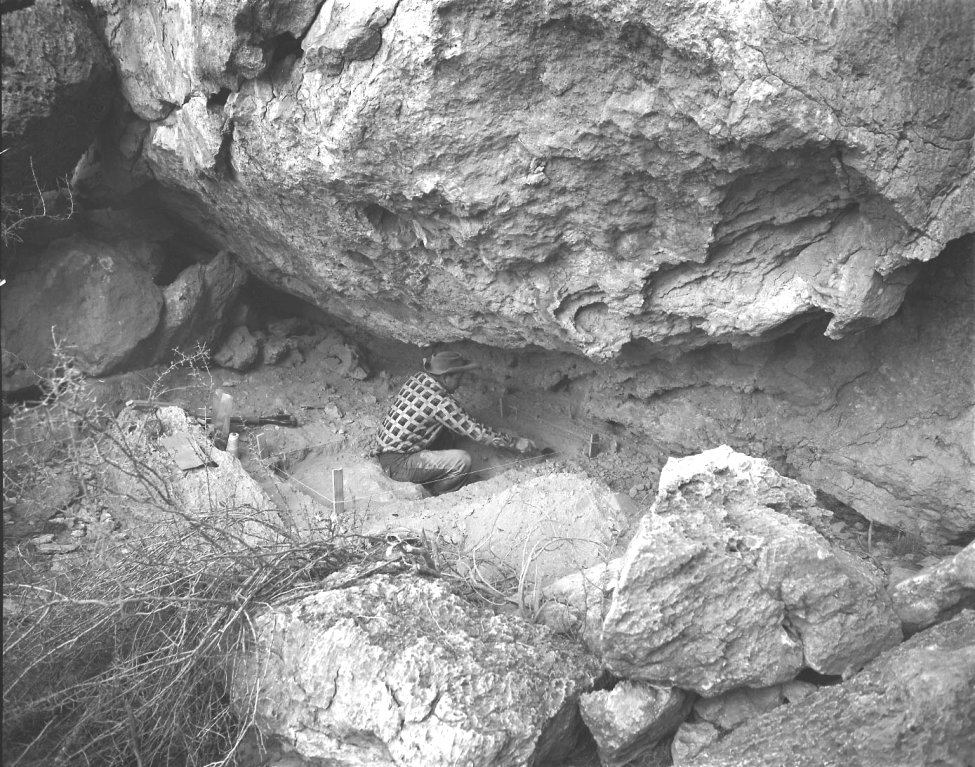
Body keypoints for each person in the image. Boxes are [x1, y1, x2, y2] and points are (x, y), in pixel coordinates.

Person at [374, 350, 536, 495]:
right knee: (462, 461)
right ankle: (438, 493)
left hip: (386, 450)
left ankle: (431, 472)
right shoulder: (440, 403)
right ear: (446, 377)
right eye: (459, 377)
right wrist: (515, 442)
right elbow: (476, 431)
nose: (460, 382)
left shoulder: (418, 378)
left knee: (446, 431)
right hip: (397, 465)